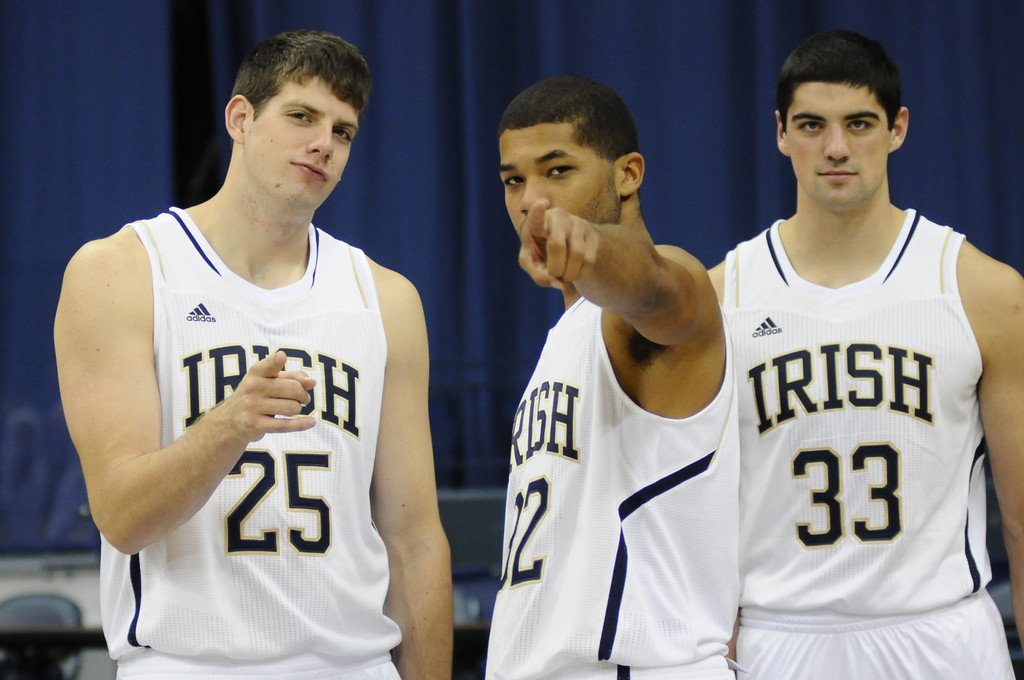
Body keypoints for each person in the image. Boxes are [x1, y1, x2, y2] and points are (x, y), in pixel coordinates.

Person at [53, 29, 452, 679]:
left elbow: (415, 540)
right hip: (190, 662)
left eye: (343, 131)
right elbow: (122, 516)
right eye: (301, 116)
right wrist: (229, 426)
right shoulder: (122, 271)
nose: (324, 142)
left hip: (354, 665)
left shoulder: (387, 299)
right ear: (240, 118)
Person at [709, 28, 1023, 679]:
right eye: (811, 125)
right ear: (780, 133)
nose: (835, 149)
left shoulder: (982, 291)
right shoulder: (721, 298)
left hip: (941, 635)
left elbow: (1022, 521)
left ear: (898, 127)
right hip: (779, 638)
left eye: (859, 123)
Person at [485, 75, 740, 680]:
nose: (530, 200)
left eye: (557, 171)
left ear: (627, 174)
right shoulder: (567, 335)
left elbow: (653, 284)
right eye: (514, 180)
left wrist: (592, 246)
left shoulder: (663, 294)